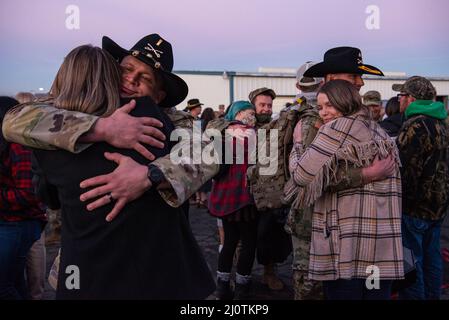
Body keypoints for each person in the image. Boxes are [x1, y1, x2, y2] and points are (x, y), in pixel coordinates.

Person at [32, 43, 215, 299]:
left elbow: (210, 153)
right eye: (126, 69)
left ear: (159, 96)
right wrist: (101, 128)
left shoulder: (169, 124)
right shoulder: (71, 117)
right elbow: (16, 119)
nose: (130, 80)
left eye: (144, 78)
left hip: (134, 272)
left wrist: (149, 175)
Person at [289, 79, 404, 300]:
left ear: (343, 101)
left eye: (329, 105)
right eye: (320, 107)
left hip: (349, 249)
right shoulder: (378, 130)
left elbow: (300, 176)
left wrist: (298, 144)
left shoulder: (337, 127)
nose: (323, 113)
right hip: (381, 249)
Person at [394, 76, 449, 300]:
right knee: (432, 259)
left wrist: (400, 202)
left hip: (414, 209)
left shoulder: (415, 125)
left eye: (401, 96)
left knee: (411, 264)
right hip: (437, 207)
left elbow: (406, 171)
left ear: (411, 99)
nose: (399, 101)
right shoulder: (441, 123)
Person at [208, 100, 258, 300]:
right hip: (247, 197)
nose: (252, 115)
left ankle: (222, 286)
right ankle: (242, 288)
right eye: (250, 112)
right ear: (240, 113)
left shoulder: (220, 133)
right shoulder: (254, 134)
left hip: (225, 196)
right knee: (248, 243)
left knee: (228, 242)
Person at [0, 96, 46, 300]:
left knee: (3, 286)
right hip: (11, 222)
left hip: (18, 224)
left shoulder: (18, 146)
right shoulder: (6, 145)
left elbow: (29, 193)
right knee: (15, 281)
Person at [248, 87, 291, 291]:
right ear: (253, 106)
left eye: (269, 105)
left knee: (269, 235)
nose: (266, 109)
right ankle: (240, 276)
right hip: (245, 193)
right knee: (242, 237)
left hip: (270, 193)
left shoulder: (276, 127)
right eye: (262, 105)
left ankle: (269, 272)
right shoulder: (241, 127)